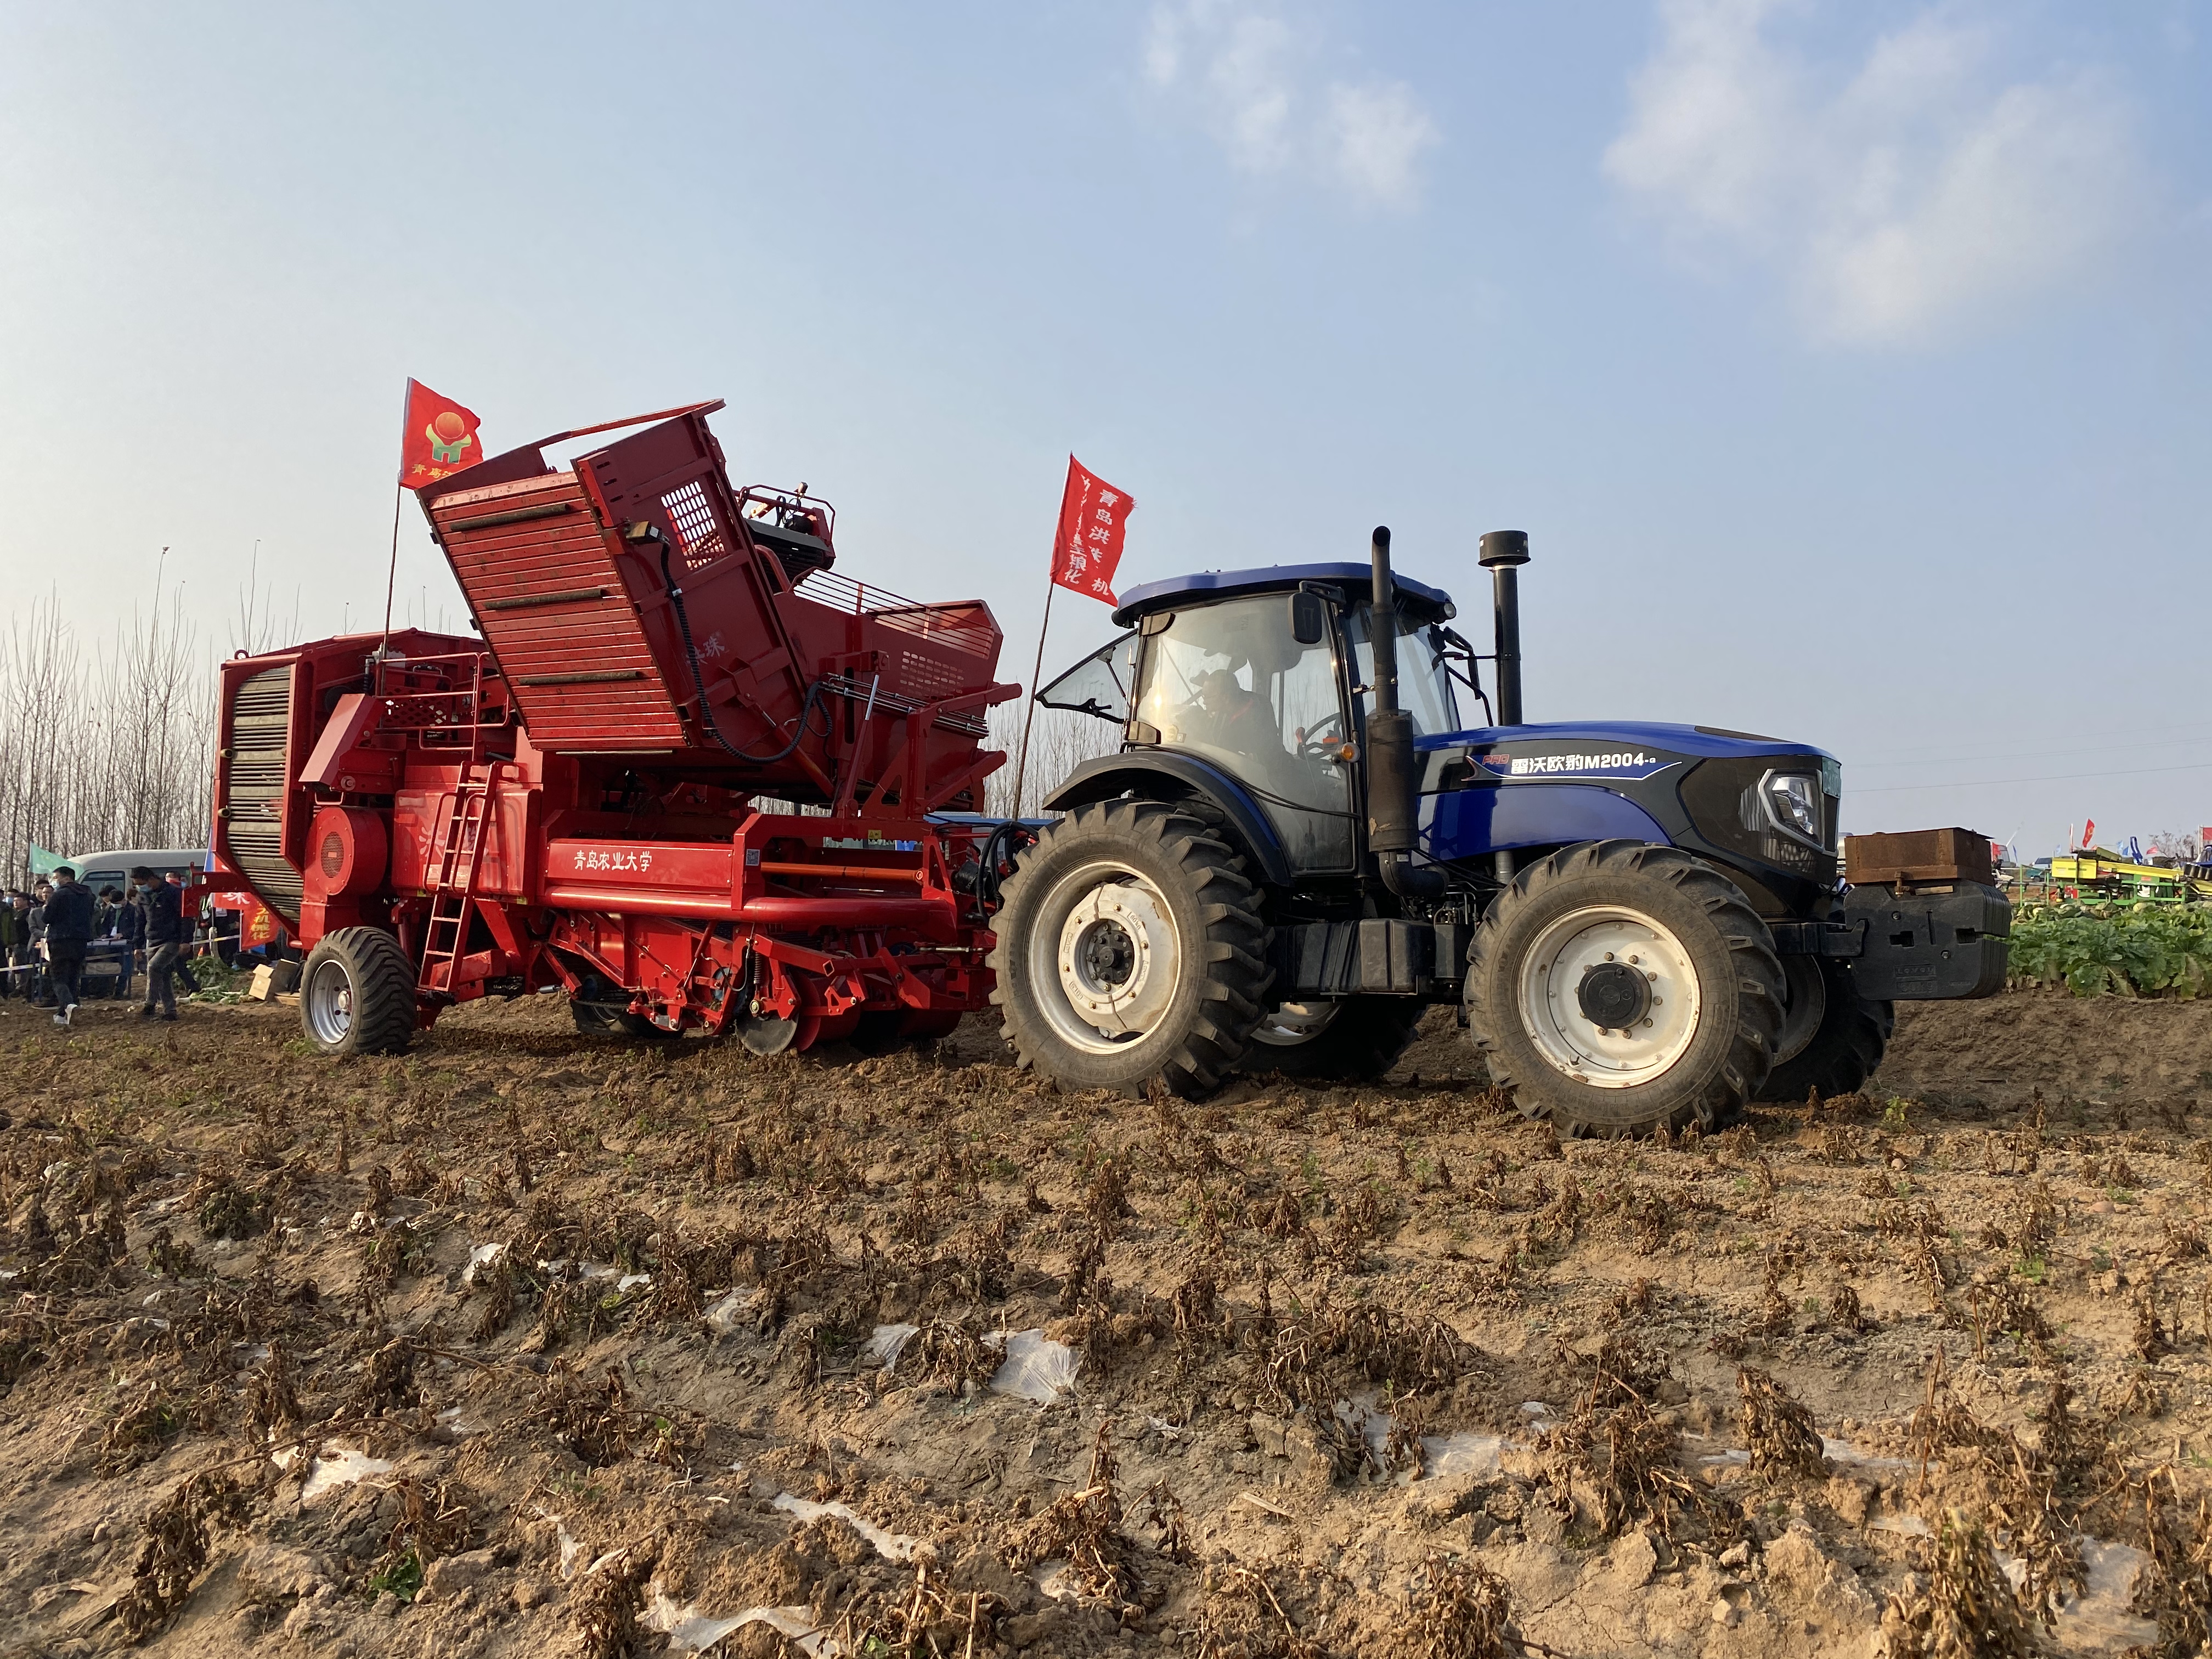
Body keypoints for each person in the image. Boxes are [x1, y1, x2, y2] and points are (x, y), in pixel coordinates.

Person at [42, 865, 94, 1026]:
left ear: (66, 878)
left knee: (58, 978)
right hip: (80, 940)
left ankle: (68, 1004)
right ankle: (64, 1013)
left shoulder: (60, 895)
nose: (54, 881)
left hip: (60, 939)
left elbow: (47, 918)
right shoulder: (88, 895)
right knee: (73, 975)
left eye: (55, 878)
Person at [132, 865, 185, 1022]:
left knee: (153, 967)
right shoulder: (142, 896)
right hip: (152, 940)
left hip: (171, 940)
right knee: (163, 975)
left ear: (151, 879)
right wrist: (137, 945)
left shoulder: (172, 893)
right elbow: (140, 922)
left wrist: (185, 940)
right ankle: (170, 1011)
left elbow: (184, 918)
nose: (139, 886)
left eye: (140, 883)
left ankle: (150, 1002)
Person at [163, 872, 202, 997]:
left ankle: (193, 987)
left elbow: (186, 921)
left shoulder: (181, 897)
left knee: (177, 965)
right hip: (171, 937)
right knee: (174, 965)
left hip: (178, 938)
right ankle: (192, 987)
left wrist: (185, 940)